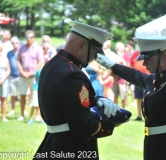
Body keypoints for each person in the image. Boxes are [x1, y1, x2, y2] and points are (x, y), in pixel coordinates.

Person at [34, 20, 122, 160]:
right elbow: (84, 126)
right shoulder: (72, 74)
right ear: (81, 45)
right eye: (94, 50)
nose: (94, 56)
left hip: (53, 142)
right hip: (72, 147)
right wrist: (111, 122)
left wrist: (97, 101)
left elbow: (66, 102)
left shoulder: (52, 64)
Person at [96, 36, 166, 160]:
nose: (143, 63)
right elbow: (134, 74)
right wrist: (111, 65)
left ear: (163, 57)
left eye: (148, 58)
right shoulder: (154, 79)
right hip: (153, 146)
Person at [17, 30, 44, 121]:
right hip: (23, 75)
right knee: (22, 95)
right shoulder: (22, 48)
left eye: (31, 37)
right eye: (27, 37)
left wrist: (33, 72)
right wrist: (22, 71)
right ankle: (22, 114)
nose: (29, 39)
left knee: (36, 95)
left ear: (34, 38)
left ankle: (37, 115)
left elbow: (41, 62)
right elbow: (18, 61)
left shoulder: (38, 48)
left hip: (33, 76)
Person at [7, 36, 20, 115]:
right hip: (12, 76)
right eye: (13, 43)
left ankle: (23, 110)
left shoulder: (21, 52)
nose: (14, 44)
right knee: (13, 94)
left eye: (16, 43)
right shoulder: (9, 53)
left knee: (22, 94)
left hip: (21, 76)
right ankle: (12, 109)